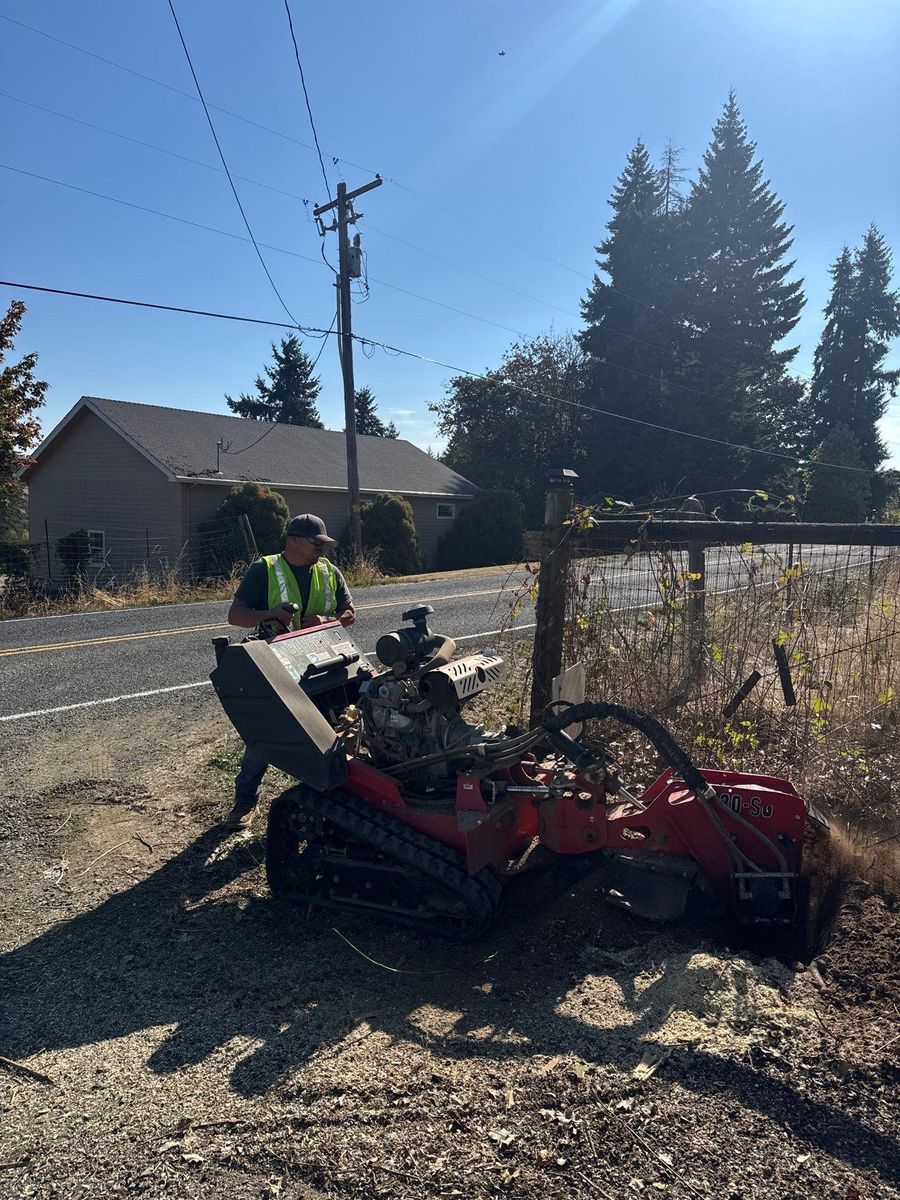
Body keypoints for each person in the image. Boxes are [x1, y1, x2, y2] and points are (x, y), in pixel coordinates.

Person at [223, 513, 356, 830]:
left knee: (337, 727)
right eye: (316, 544)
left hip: (325, 664)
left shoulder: (328, 571)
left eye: (324, 545)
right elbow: (235, 616)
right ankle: (245, 801)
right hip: (277, 667)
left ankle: (332, 789)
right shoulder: (264, 570)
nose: (321, 550)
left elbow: (349, 613)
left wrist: (327, 622)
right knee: (269, 733)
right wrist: (270, 614)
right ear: (294, 540)